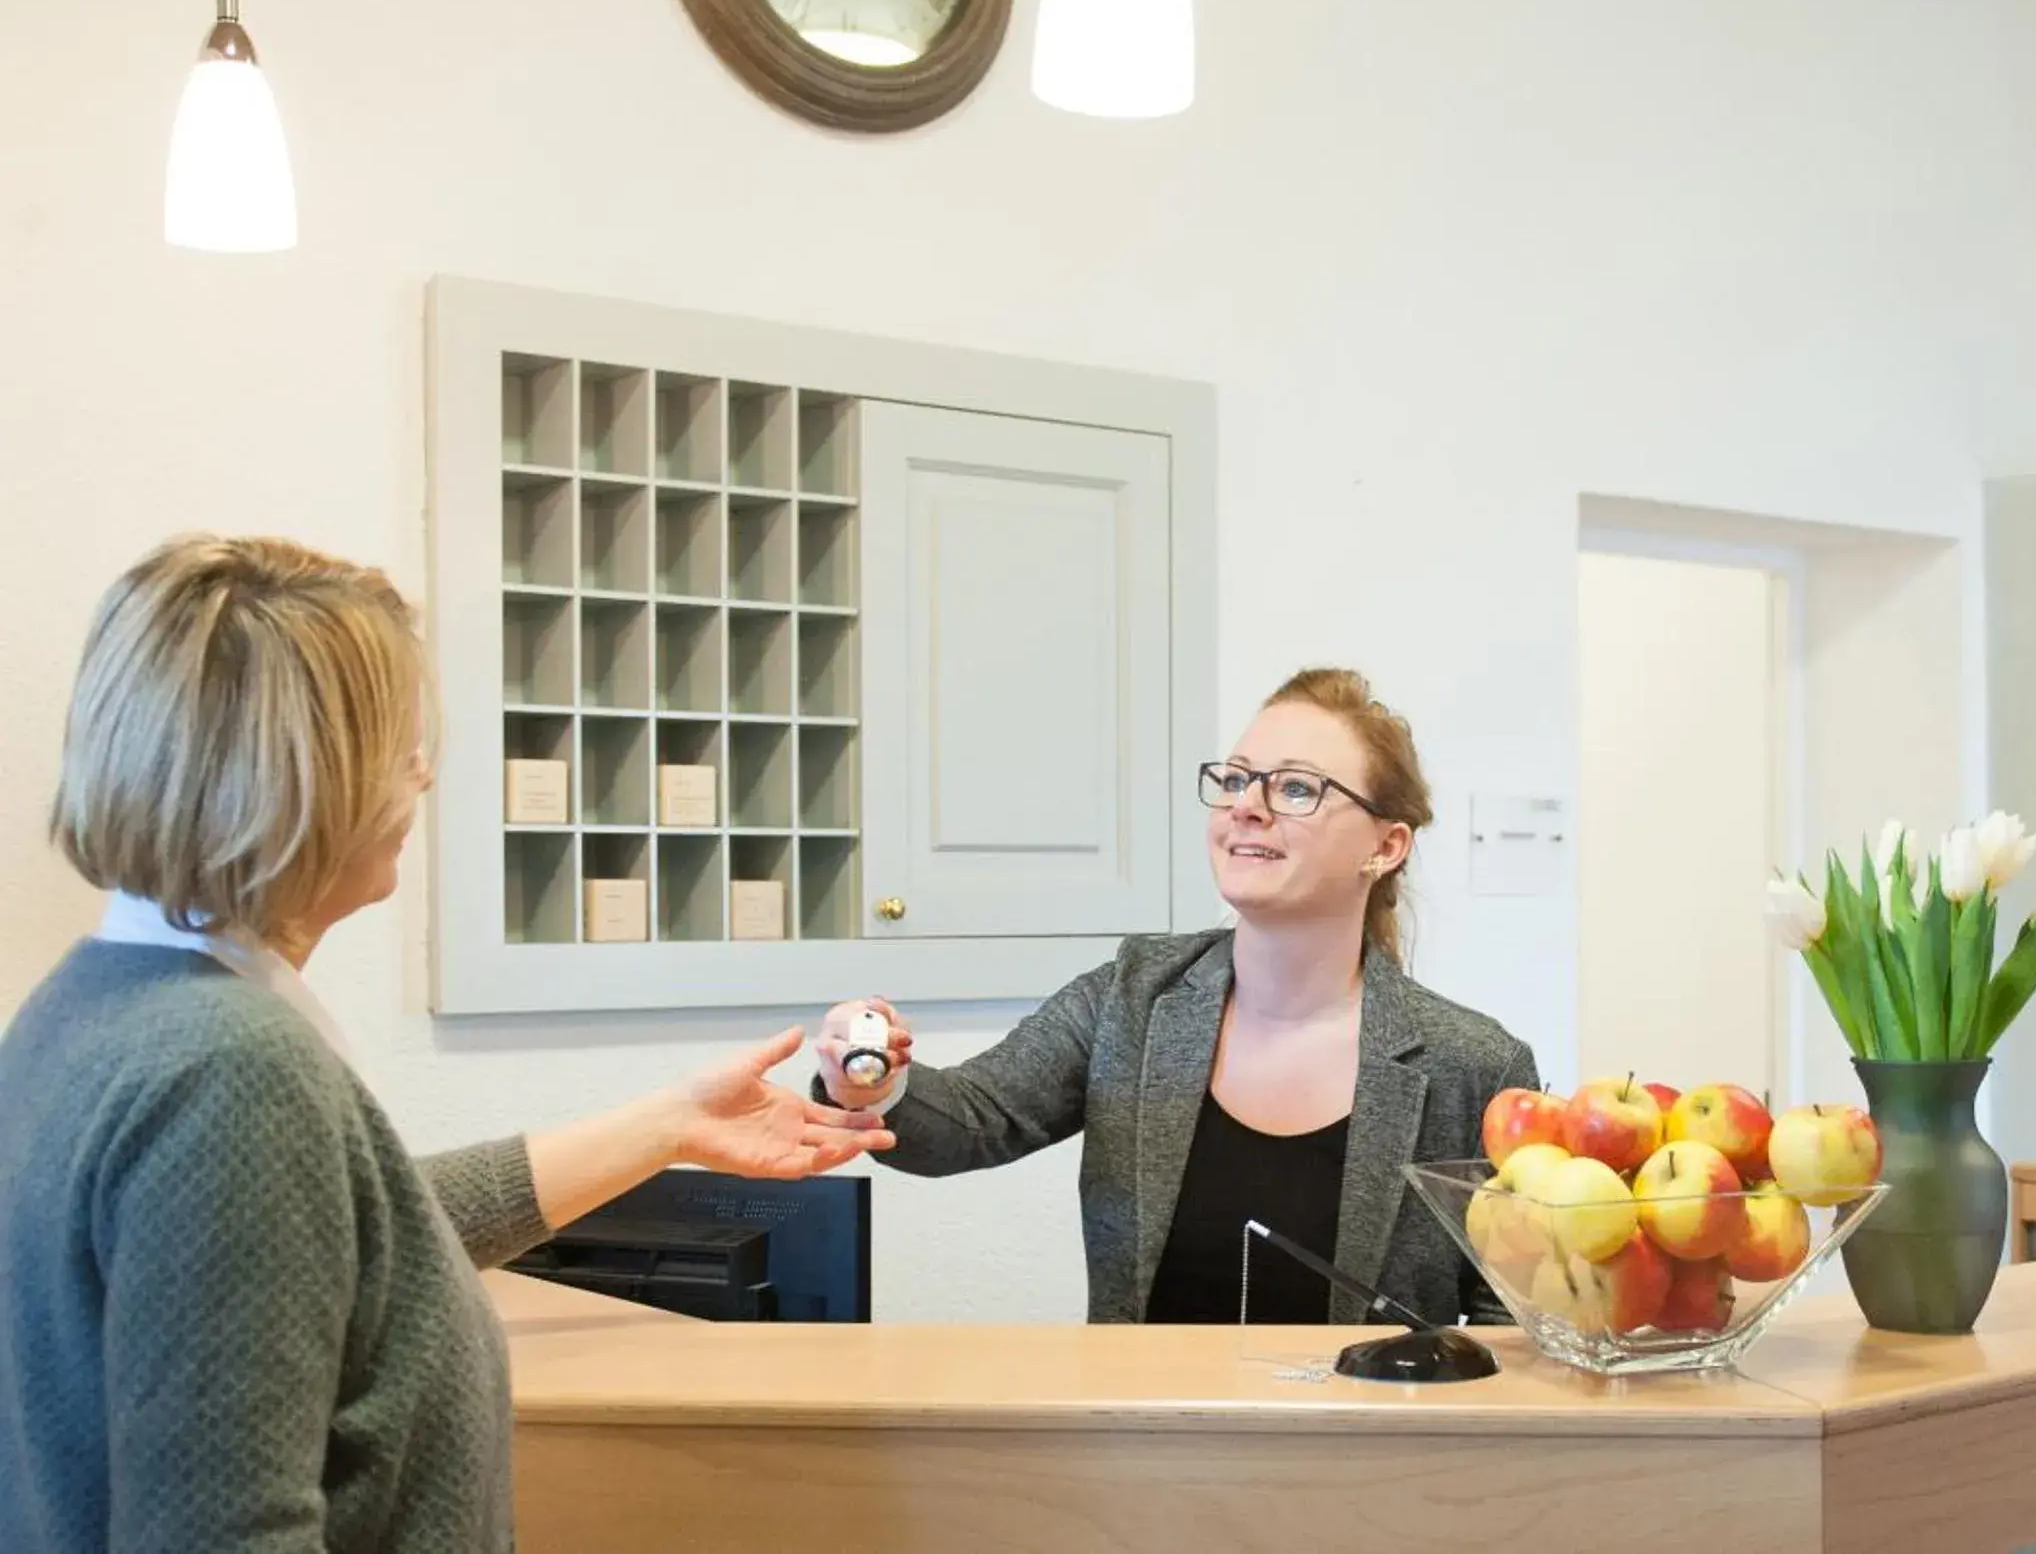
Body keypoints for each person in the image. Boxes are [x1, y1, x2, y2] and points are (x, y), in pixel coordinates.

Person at [0, 535, 896, 1552]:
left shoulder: (94, 1003)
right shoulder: (230, 1070)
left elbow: (347, 1240)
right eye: (398, 747)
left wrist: (670, 1125)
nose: (422, 777)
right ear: (307, 778)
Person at [815, 668, 1538, 1327]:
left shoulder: (1476, 1066)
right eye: (1236, 779)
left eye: (1296, 789)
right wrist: (871, 1081)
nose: (1247, 807)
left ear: (1385, 846)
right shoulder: (1130, 998)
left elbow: (1517, 1321)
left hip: (1364, 1434)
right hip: (1147, 1428)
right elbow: (972, 1119)